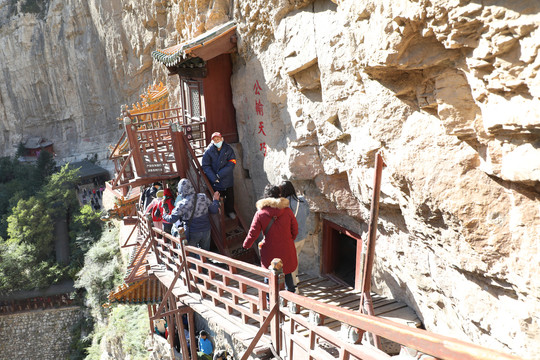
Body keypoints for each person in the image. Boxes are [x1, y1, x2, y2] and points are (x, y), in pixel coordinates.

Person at [243, 185, 298, 293]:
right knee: (287, 274)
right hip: (286, 248)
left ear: (265, 196)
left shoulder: (260, 213)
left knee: (269, 275)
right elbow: (295, 230)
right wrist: (289, 239)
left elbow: (253, 233)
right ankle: (292, 301)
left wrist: (246, 245)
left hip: (269, 250)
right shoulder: (287, 211)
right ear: (279, 195)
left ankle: (269, 300)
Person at [163, 178, 220, 252]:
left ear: (180, 190)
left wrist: (164, 214)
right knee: (205, 254)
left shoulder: (182, 204)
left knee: (191, 255)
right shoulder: (203, 197)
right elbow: (214, 210)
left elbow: (172, 219)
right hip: (206, 230)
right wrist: (215, 200)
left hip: (192, 232)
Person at [279, 180, 310, 285]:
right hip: (302, 236)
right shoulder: (303, 200)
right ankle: (296, 278)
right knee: (295, 258)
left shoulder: (284, 206)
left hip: (291, 238)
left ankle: (294, 286)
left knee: (290, 262)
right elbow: (307, 214)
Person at [202, 132, 237, 219]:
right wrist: (214, 177)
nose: (217, 141)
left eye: (218, 139)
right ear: (212, 141)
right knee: (217, 198)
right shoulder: (208, 151)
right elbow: (205, 165)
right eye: (215, 140)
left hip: (227, 178)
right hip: (215, 181)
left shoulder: (228, 149)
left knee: (230, 197)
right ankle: (218, 214)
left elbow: (232, 162)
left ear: (222, 139)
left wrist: (219, 174)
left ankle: (230, 211)